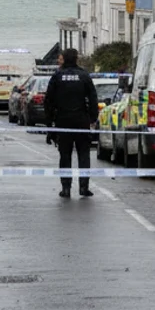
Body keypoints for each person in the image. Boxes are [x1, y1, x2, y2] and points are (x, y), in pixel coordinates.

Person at [45, 48, 97, 199]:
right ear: (76, 59)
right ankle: (83, 187)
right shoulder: (84, 75)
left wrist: (50, 125)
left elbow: (48, 101)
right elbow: (93, 98)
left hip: (63, 120)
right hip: (81, 120)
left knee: (65, 155)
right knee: (84, 155)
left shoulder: (57, 76)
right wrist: (93, 118)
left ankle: (66, 188)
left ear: (64, 59)